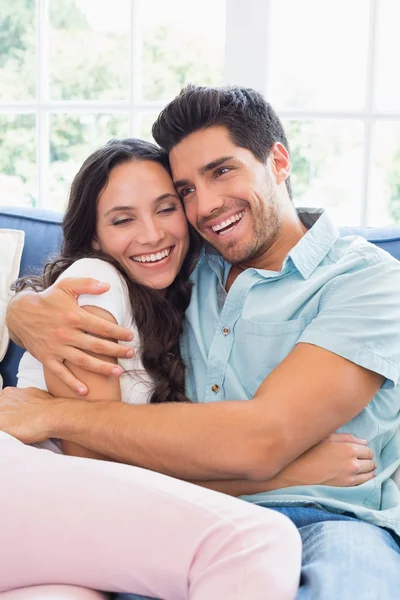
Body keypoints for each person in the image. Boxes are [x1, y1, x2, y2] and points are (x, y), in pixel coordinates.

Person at [3, 84, 400, 599]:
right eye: (186, 189)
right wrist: (22, 309)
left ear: (277, 161)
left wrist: (54, 413)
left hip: (334, 517)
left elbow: (261, 441)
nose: (206, 206)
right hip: (186, 514)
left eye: (222, 171)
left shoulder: (366, 282)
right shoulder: (188, 263)